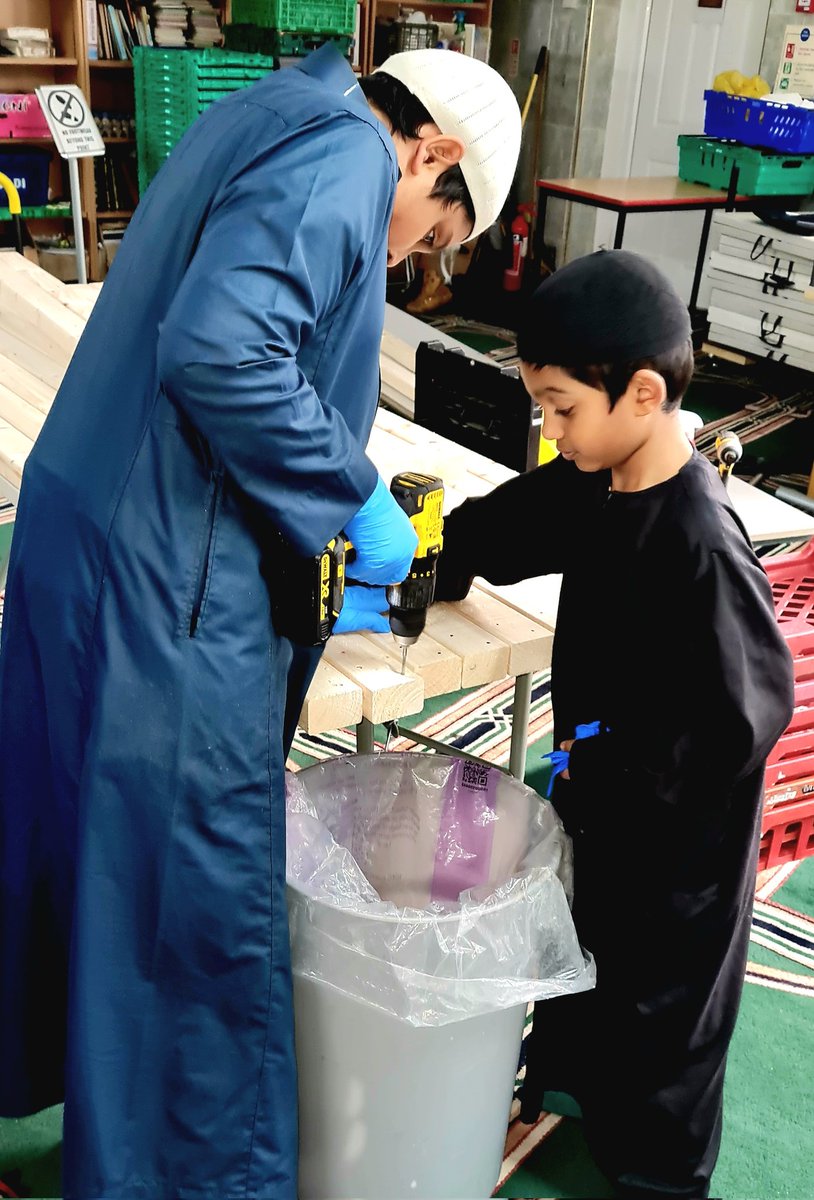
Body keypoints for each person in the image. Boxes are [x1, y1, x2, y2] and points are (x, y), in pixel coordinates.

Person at [0, 45, 520, 1199]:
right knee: (185, 899)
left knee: (71, 843)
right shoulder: (345, 155)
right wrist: (350, 497)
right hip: (163, 582)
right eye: (431, 231)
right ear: (431, 152)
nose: (408, 257)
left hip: (86, 533)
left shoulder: (279, 105)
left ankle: (65, 1098)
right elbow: (223, 346)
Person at [428, 251, 795, 1198]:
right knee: (580, 965)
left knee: (660, 1017)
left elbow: (745, 716)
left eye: (562, 409)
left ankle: (659, 1176)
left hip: (680, 855)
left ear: (641, 394)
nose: (551, 432)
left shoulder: (701, 545)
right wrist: (439, 558)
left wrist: (626, 768)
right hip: (603, 810)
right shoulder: (598, 483)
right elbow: (511, 523)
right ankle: (570, 1093)